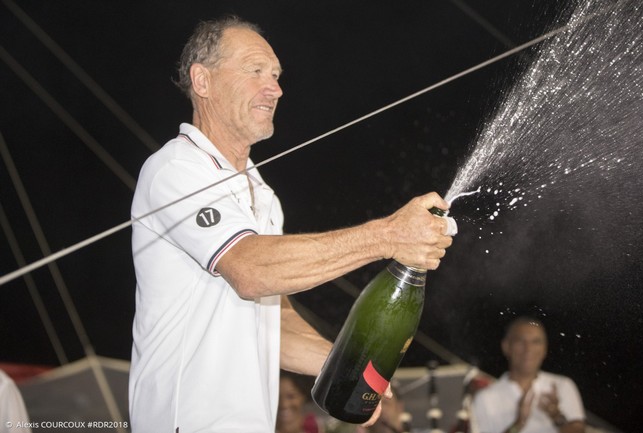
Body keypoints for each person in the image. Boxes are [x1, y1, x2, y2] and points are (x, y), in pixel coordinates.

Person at [129, 15, 454, 433]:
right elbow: (249, 269)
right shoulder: (175, 169)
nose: (276, 88)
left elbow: (274, 321)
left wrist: (344, 371)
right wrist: (389, 235)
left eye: (277, 75)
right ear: (203, 81)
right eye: (255, 71)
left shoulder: (264, 196)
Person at [471, 317, 586, 433]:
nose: (528, 348)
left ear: (545, 349)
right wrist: (518, 423)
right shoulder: (485, 398)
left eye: (536, 342)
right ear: (506, 347)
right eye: (520, 341)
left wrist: (556, 415)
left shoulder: (562, 386)